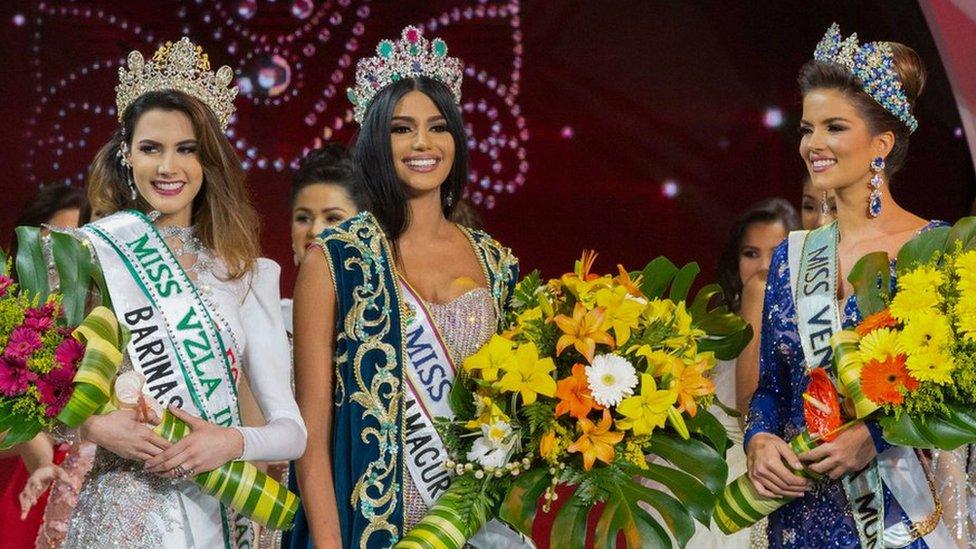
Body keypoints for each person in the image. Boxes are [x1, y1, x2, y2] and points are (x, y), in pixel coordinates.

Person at [52, 38, 306, 548]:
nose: (168, 167)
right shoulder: (91, 255)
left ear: (208, 160)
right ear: (126, 153)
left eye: (187, 149)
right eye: (151, 148)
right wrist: (96, 428)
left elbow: (291, 432)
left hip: (218, 512)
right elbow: (37, 395)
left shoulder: (247, 273)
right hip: (117, 517)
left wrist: (229, 442)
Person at [289, 26, 527, 548]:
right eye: (402, 129)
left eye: (438, 127)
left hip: (471, 528)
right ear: (377, 140)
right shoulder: (334, 259)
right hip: (366, 527)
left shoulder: (496, 263)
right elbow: (310, 433)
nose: (423, 143)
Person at [745, 24, 951, 547]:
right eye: (806, 129)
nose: (813, 144)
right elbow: (772, 387)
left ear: (881, 143)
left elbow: (959, 391)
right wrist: (759, 439)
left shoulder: (938, 250)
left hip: (897, 518)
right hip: (798, 518)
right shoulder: (793, 257)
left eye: (834, 127)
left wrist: (872, 436)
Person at [693, 198, 799, 547]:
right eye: (751, 253)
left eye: (777, 252)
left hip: (774, 465)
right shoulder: (708, 328)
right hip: (720, 471)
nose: (764, 267)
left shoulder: (805, 321)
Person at [0, 184, 86, 549]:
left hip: (94, 496)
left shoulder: (111, 329)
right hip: (23, 488)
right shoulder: (11, 324)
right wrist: (38, 449)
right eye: (53, 249)